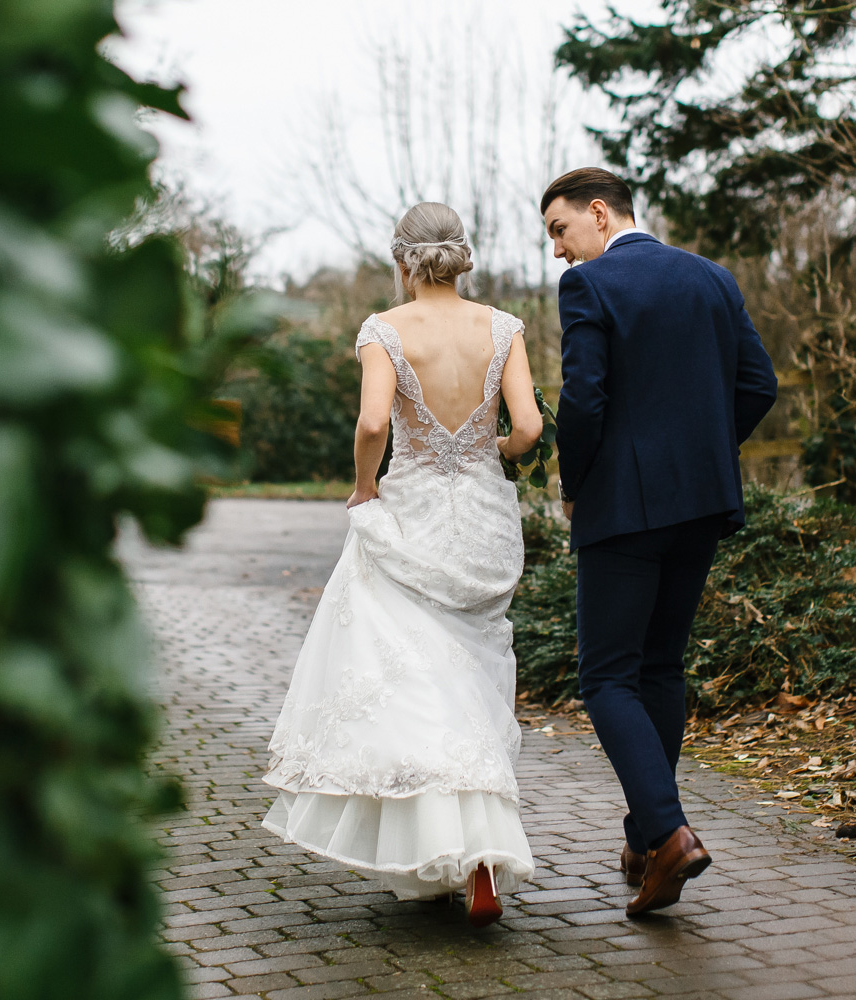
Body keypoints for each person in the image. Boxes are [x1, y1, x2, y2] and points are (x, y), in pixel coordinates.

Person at [262, 202, 541, 928]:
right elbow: (532, 426)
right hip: (481, 516)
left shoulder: (385, 330)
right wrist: (499, 454)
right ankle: (472, 856)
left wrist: (364, 486)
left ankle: (455, 850)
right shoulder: (504, 328)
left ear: (401, 258)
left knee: (419, 674)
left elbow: (375, 422)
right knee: (474, 672)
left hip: (413, 512)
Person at [540, 168, 778, 916]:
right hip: (702, 505)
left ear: (600, 214)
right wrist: (704, 456)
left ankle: (671, 835)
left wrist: (574, 483)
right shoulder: (712, 278)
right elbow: (759, 384)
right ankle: (646, 836)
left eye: (559, 230)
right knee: (659, 667)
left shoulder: (591, 287)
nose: (557, 251)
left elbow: (584, 400)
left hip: (623, 509)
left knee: (607, 678)